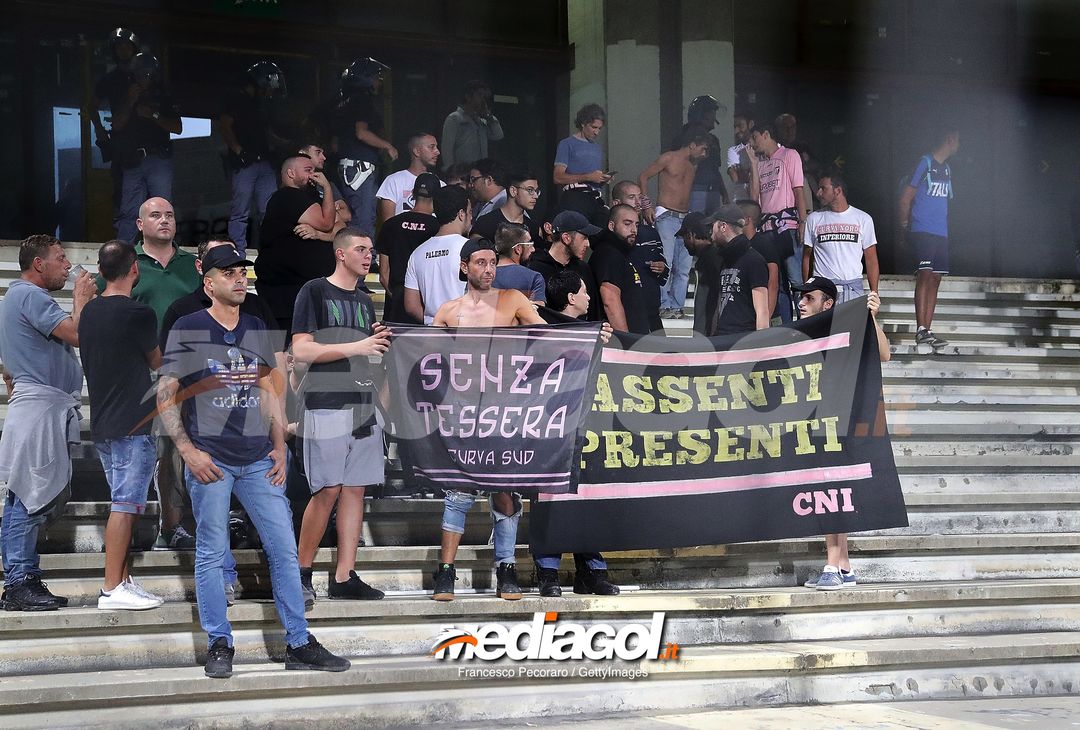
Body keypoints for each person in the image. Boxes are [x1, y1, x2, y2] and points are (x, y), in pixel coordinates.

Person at [158, 246, 349, 678]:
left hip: (258, 456)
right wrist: (187, 450)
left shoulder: (257, 324)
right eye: (230, 273)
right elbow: (166, 392)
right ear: (208, 282)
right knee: (210, 553)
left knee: (284, 549)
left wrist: (279, 443)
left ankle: (298, 642)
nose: (240, 279)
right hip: (211, 457)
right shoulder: (189, 325)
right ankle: (220, 643)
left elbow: (267, 389)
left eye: (243, 272)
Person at [429, 239, 546, 602]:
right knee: (459, 491)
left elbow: (548, 334)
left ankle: (506, 568)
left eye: (493, 262)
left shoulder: (512, 299)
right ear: (465, 267)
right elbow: (425, 358)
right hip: (462, 411)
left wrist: (589, 334)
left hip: (507, 408)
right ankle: (446, 571)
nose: (488, 269)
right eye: (480, 263)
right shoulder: (449, 311)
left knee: (505, 490)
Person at [292, 228, 390, 609]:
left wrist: (377, 340)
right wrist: (360, 344)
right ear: (340, 254)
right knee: (328, 489)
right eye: (361, 250)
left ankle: (344, 575)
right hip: (326, 402)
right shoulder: (314, 290)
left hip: (363, 403)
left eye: (371, 250)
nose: (368, 256)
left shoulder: (365, 301)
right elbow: (301, 350)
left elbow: (361, 351)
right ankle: (300, 572)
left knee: (355, 489)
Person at [0, 235, 95, 611]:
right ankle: (19, 580)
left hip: (39, 407)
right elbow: (77, 333)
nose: (67, 266)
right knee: (29, 496)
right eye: (60, 259)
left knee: (24, 495)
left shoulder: (17, 297)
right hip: (39, 409)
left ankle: (21, 577)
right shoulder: (30, 295)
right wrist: (82, 298)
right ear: (38, 264)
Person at [79, 241, 164, 610]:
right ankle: (112, 587)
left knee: (123, 506)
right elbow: (158, 361)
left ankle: (124, 579)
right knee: (125, 506)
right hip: (133, 422)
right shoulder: (139, 314)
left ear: (101, 271)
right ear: (135, 269)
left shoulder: (90, 313)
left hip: (103, 422)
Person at [795, 277, 890, 591]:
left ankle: (832, 565)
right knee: (830, 491)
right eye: (800, 297)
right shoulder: (799, 332)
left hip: (844, 421)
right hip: (815, 422)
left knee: (834, 491)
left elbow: (884, 354)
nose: (800, 303)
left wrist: (871, 318)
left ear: (828, 303)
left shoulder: (844, 326)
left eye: (809, 298)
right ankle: (845, 566)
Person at [531, 268, 619, 597]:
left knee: (588, 500)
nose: (588, 297)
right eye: (584, 292)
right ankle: (548, 571)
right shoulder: (538, 327)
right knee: (551, 500)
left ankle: (591, 570)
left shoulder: (592, 332)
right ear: (570, 298)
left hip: (587, 426)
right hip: (548, 428)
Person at [254, 155, 337, 334]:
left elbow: (341, 228)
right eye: (308, 170)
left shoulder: (311, 198)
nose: (314, 175)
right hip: (286, 296)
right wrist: (328, 187)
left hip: (308, 294)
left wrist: (319, 235)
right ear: (291, 173)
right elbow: (327, 222)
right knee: (287, 352)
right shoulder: (287, 196)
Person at [899, 125, 959, 352]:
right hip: (923, 229)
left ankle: (928, 330)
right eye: (958, 140)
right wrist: (904, 227)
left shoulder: (948, 169)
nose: (959, 145)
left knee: (936, 278)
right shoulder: (925, 163)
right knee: (924, 275)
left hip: (941, 232)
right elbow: (905, 197)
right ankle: (920, 328)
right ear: (950, 138)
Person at [638, 131, 711, 318]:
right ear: (693, 145)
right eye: (703, 149)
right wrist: (646, 206)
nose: (704, 154)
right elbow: (644, 176)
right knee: (666, 262)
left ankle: (677, 307)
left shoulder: (692, 166)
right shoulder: (669, 158)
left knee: (684, 267)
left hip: (684, 219)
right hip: (666, 216)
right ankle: (663, 305)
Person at [110, 53, 182, 242]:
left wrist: (153, 115)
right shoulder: (126, 93)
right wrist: (129, 100)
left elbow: (177, 127)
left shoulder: (163, 94)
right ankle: (122, 254)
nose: (145, 78)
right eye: (141, 74)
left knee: (163, 209)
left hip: (158, 158)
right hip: (132, 160)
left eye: (149, 74)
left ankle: (165, 249)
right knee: (129, 212)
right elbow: (116, 124)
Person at [219, 61, 288, 255]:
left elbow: (266, 134)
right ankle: (237, 253)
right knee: (240, 211)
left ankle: (270, 251)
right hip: (245, 164)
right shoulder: (235, 98)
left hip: (264, 163)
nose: (270, 92)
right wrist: (239, 151)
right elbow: (224, 126)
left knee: (270, 211)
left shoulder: (260, 105)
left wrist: (287, 144)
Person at [748, 120, 809, 322]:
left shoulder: (789, 155)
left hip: (788, 226)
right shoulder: (760, 162)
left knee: (795, 280)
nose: (753, 143)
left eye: (755, 137)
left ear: (766, 134)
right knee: (776, 281)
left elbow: (798, 190)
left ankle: (804, 325)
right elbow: (753, 199)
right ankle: (785, 327)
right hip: (766, 228)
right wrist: (754, 166)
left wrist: (802, 221)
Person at [334, 57, 396, 235]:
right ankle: (364, 258)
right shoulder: (361, 101)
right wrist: (387, 146)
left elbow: (335, 143)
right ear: (365, 79)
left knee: (354, 216)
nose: (379, 81)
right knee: (364, 219)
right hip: (359, 168)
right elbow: (361, 132)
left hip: (349, 166)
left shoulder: (345, 103)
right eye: (376, 77)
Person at [803, 170, 880, 304]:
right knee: (823, 326)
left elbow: (871, 259)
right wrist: (806, 288)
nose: (818, 193)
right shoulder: (814, 219)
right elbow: (807, 256)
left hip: (851, 288)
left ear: (838, 190)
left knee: (850, 326)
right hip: (822, 289)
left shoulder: (863, 219)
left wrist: (874, 293)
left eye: (823, 188)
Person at [376, 172, 440, 322]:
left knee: (395, 345)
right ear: (437, 197)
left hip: (396, 300)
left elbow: (383, 275)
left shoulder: (390, 225)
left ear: (413, 193)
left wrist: (400, 298)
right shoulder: (437, 228)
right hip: (425, 302)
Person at [403, 185, 472, 324]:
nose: (471, 217)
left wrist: (435, 321)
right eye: (470, 212)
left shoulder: (417, 253)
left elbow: (411, 306)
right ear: (461, 214)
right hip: (465, 332)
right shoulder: (471, 248)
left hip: (431, 333)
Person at [91, 27, 139, 221]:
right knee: (121, 190)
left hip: (147, 141)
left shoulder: (145, 76)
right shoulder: (109, 79)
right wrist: (100, 130)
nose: (123, 51)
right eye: (119, 47)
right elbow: (91, 106)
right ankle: (122, 239)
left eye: (127, 46)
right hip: (121, 142)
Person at [704, 204, 770, 336]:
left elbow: (762, 310)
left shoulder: (753, 260)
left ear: (723, 226)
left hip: (742, 340)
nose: (710, 233)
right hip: (722, 338)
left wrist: (761, 348)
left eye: (713, 226)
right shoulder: (725, 259)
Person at [611, 181, 667, 333]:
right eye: (631, 197)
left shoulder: (651, 232)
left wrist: (662, 268)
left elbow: (663, 264)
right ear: (616, 202)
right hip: (627, 311)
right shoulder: (610, 239)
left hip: (652, 309)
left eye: (640, 197)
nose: (637, 202)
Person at [526, 210, 601, 321]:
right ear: (566, 238)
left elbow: (594, 312)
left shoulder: (583, 269)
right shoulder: (535, 271)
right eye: (584, 238)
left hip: (584, 335)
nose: (588, 244)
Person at [591, 204, 650, 334]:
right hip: (623, 343)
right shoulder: (608, 253)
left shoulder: (620, 253)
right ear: (612, 226)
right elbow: (610, 300)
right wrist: (625, 341)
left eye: (637, 225)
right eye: (627, 224)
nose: (634, 230)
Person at [553, 103, 612, 226]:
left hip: (595, 198)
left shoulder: (597, 148)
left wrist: (602, 179)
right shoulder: (567, 144)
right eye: (593, 127)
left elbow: (592, 177)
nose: (596, 132)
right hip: (575, 196)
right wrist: (588, 177)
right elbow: (558, 177)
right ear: (583, 123)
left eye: (599, 129)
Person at [672, 95, 728, 213]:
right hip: (694, 191)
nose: (714, 117)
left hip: (713, 191)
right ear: (700, 115)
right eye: (711, 112)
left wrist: (724, 193)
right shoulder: (684, 138)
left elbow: (715, 170)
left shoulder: (713, 140)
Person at [375, 132, 441, 224]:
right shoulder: (393, 181)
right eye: (431, 147)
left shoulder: (440, 184)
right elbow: (387, 224)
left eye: (436, 147)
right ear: (417, 151)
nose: (437, 152)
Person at [440, 80, 504, 169]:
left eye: (484, 97)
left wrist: (489, 117)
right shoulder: (454, 118)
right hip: (462, 172)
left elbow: (498, 135)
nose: (483, 100)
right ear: (468, 97)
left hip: (481, 171)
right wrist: (451, 171)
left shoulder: (482, 121)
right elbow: (447, 149)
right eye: (480, 95)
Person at [470, 170, 542, 243]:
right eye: (530, 190)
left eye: (536, 191)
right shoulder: (486, 224)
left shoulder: (533, 228)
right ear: (513, 191)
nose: (536, 196)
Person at [739, 199, 781, 323]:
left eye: (736, 216)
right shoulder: (740, 246)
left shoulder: (764, 245)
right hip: (747, 316)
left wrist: (766, 319)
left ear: (747, 220)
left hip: (767, 316)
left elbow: (773, 284)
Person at [491, 222, 545, 304]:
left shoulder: (481, 277)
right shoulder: (534, 278)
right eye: (529, 244)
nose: (533, 249)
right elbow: (537, 313)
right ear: (518, 249)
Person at [726, 112, 755, 201]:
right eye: (735, 127)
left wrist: (744, 171)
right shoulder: (733, 151)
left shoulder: (761, 149)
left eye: (740, 126)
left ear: (751, 124)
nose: (736, 131)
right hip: (741, 200)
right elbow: (736, 178)